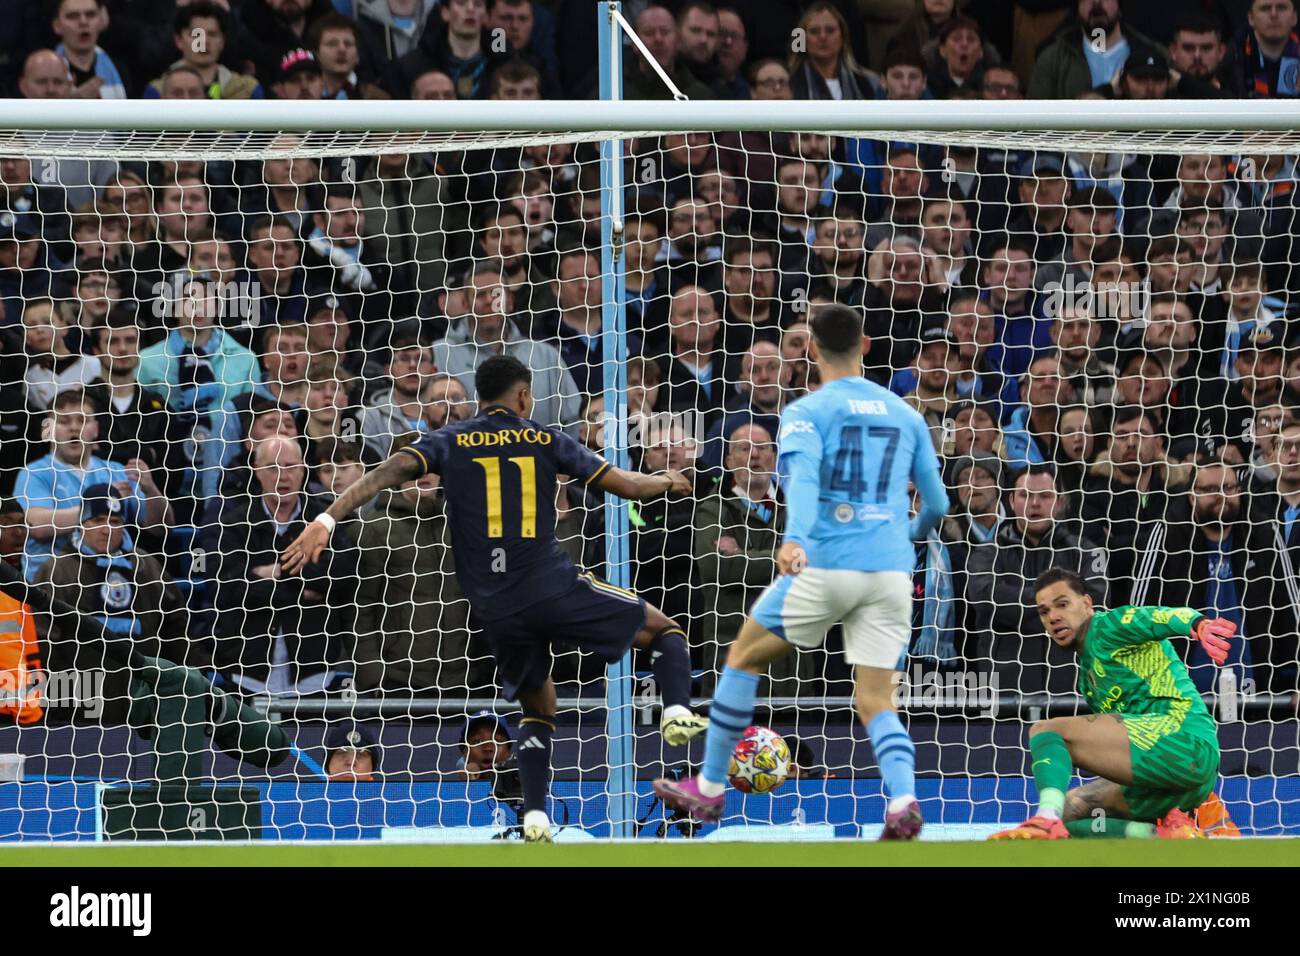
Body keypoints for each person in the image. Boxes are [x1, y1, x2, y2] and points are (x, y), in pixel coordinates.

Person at [282, 354, 709, 843]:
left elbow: (389, 470)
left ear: (479, 397)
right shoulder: (545, 437)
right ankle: (676, 710)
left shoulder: (450, 439)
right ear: (525, 395)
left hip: (496, 609)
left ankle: (533, 814)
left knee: (536, 707)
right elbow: (629, 486)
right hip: (551, 585)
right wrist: (671, 481)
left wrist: (325, 520)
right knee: (665, 632)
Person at [653, 304, 949, 839]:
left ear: (809, 351)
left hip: (831, 563)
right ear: (868, 347)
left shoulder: (807, 411)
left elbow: (805, 482)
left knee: (742, 656)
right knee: (877, 697)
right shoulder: (906, 413)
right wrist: (905, 534)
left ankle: (711, 789)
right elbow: (937, 504)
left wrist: (794, 539)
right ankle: (903, 798)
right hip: (890, 575)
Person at [990, 568, 1235, 839]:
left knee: (1046, 731)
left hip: (1184, 741)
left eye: (1062, 604)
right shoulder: (1088, 678)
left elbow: (1163, 617)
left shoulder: (1111, 626)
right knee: (1069, 809)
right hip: (1168, 785)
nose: (1053, 617)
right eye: (1044, 611)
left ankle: (1045, 818)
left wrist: (1200, 625)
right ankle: (1160, 834)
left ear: (1086, 604)